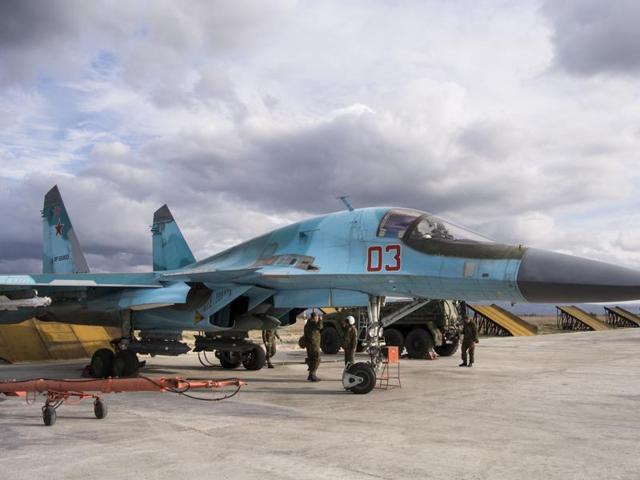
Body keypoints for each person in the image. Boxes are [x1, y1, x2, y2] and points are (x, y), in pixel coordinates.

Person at [303, 310, 323, 381]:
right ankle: (312, 374)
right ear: (314, 317)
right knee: (317, 359)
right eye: (317, 317)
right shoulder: (313, 324)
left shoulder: (307, 324)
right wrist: (320, 320)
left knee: (311, 359)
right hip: (314, 345)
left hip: (309, 345)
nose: (317, 318)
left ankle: (310, 375)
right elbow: (320, 327)